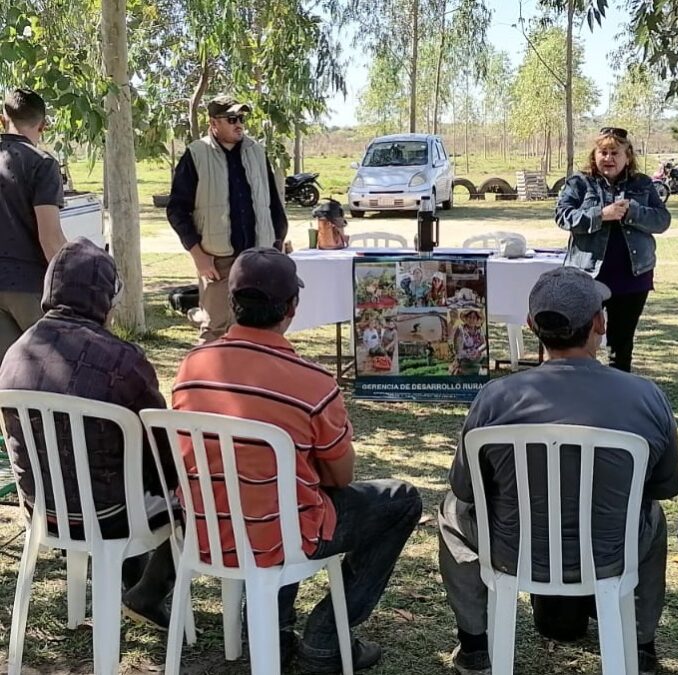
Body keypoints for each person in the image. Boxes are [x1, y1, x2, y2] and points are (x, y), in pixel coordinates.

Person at [171, 247, 422, 672]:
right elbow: (341, 477)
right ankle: (326, 636)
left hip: (206, 527)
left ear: (232, 303)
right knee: (401, 501)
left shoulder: (190, 368)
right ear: (292, 308)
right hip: (281, 535)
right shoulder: (313, 384)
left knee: (279, 495)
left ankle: (273, 630)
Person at [438, 267, 678, 675]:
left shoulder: (495, 398)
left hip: (513, 552)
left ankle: (476, 644)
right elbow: (664, 485)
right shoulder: (646, 397)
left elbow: (465, 490)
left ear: (532, 326)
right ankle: (640, 646)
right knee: (652, 516)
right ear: (600, 324)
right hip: (611, 555)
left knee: (451, 512)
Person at [0, 238, 178, 628]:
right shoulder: (123, 361)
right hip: (109, 516)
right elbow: (162, 454)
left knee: (115, 478)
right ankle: (148, 592)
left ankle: (132, 582)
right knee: (185, 494)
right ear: (104, 299)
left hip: (43, 512)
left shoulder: (15, 353)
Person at [167, 94, 289, 344]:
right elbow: (177, 210)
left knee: (260, 331)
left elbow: (274, 206)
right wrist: (198, 255)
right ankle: (207, 381)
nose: (239, 124)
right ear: (214, 123)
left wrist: (277, 245)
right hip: (218, 262)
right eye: (231, 119)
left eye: (241, 118)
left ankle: (251, 380)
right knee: (215, 330)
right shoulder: (196, 154)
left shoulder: (256, 152)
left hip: (260, 259)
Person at [556, 127, 671, 372]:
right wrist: (600, 215)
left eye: (615, 153)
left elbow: (662, 220)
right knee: (579, 340)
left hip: (632, 277)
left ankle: (618, 394)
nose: (608, 158)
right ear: (594, 155)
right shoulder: (579, 183)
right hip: (587, 275)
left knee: (621, 344)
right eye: (603, 152)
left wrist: (634, 212)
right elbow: (563, 217)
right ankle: (581, 389)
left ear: (627, 156)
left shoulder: (643, 184)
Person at [0, 87, 67, 365]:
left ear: (3, 120)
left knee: (9, 382)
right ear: (43, 125)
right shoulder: (42, 163)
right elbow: (50, 239)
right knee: (49, 375)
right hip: (31, 286)